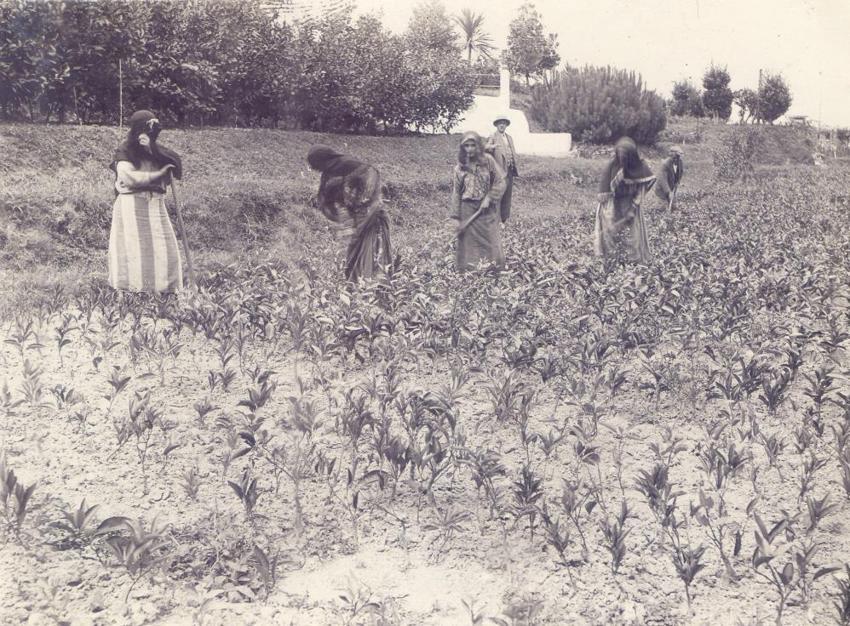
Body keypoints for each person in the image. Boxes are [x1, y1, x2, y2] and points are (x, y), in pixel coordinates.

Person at [108, 110, 184, 293]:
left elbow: (176, 164)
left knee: (164, 249)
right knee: (131, 249)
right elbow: (129, 179)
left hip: (155, 206)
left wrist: (152, 149)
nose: (146, 136)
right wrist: (158, 173)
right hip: (131, 206)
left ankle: (164, 289)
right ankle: (131, 290)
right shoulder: (125, 150)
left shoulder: (154, 148)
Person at [306, 145, 391, 281]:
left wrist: (358, 209)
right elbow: (326, 199)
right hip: (356, 221)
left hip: (371, 221)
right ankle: (358, 285)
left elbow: (368, 191)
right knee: (354, 256)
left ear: (323, 160)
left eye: (316, 165)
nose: (316, 169)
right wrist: (343, 215)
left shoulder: (353, 166)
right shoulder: (329, 174)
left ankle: (373, 285)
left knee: (372, 255)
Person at [593, 137, 656, 266]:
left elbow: (641, 190)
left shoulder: (640, 167)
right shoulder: (612, 167)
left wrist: (633, 208)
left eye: (625, 156)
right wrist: (612, 213)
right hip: (611, 203)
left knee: (633, 235)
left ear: (631, 156)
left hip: (630, 201)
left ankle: (633, 261)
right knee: (610, 232)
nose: (622, 159)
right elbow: (606, 192)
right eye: (620, 155)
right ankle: (611, 259)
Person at [450, 132, 507, 272]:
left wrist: (489, 197)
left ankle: (492, 270)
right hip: (467, 209)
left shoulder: (488, 161)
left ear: (479, 146)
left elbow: (500, 182)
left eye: (473, 145)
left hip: (486, 211)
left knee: (491, 241)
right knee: (469, 245)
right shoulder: (460, 167)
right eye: (466, 146)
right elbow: (456, 192)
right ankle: (471, 272)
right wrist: (456, 217)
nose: (469, 149)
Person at [484, 114, 519, 224]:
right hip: (498, 172)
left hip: (509, 170)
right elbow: (485, 148)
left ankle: (504, 218)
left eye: (504, 123)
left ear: (506, 125)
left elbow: (512, 153)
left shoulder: (509, 138)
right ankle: (494, 219)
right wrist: (492, 147)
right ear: (496, 125)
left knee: (507, 194)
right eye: (500, 123)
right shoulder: (493, 136)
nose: (502, 125)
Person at [654, 146, 684, 211]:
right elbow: (663, 180)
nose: (677, 159)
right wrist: (668, 192)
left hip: (672, 187)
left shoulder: (680, 162)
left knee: (674, 208)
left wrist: (677, 182)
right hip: (662, 189)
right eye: (676, 157)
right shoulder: (665, 164)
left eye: (678, 157)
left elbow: (680, 172)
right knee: (662, 209)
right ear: (672, 156)